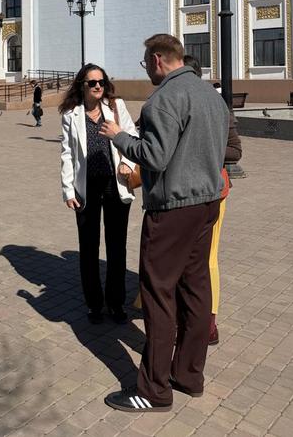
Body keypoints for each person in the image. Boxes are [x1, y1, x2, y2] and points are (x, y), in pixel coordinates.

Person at [99, 34, 228, 412]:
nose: (147, 71)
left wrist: (119, 137)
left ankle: (153, 390)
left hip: (172, 208)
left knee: (158, 294)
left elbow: (154, 157)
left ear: (157, 60)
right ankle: (189, 375)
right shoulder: (211, 96)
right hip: (207, 203)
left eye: (145, 64)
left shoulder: (164, 98)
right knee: (196, 289)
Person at [60, 64, 139, 325]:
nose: (97, 86)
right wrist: (68, 190)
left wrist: (127, 162)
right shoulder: (71, 114)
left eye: (101, 82)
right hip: (87, 188)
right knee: (88, 247)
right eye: (92, 82)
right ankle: (94, 304)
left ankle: (116, 303)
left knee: (116, 246)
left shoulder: (115, 107)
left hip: (115, 184)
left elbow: (132, 135)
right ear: (81, 85)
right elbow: (67, 153)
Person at [183, 54, 242, 346]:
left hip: (214, 192)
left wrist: (201, 149)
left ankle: (209, 321)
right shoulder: (172, 103)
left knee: (207, 258)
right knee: (181, 257)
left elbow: (235, 151)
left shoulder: (218, 106)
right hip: (181, 194)